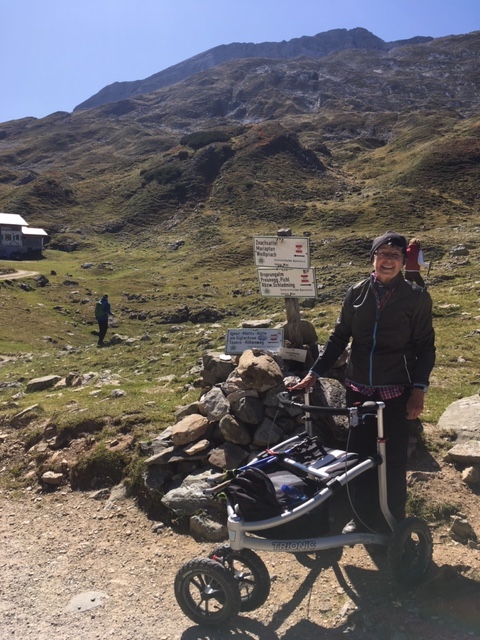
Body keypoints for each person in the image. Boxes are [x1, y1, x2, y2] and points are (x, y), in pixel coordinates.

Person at [290, 231, 435, 534]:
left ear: (402, 261)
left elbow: (425, 347)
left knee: (392, 461)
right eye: (382, 254)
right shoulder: (356, 293)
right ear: (373, 259)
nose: (388, 260)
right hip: (357, 391)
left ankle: (393, 524)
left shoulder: (416, 296)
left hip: (396, 393)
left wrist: (418, 390)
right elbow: (339, 338)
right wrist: (314, 373)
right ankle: (361, 519)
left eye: (395, 255)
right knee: (358, 458)